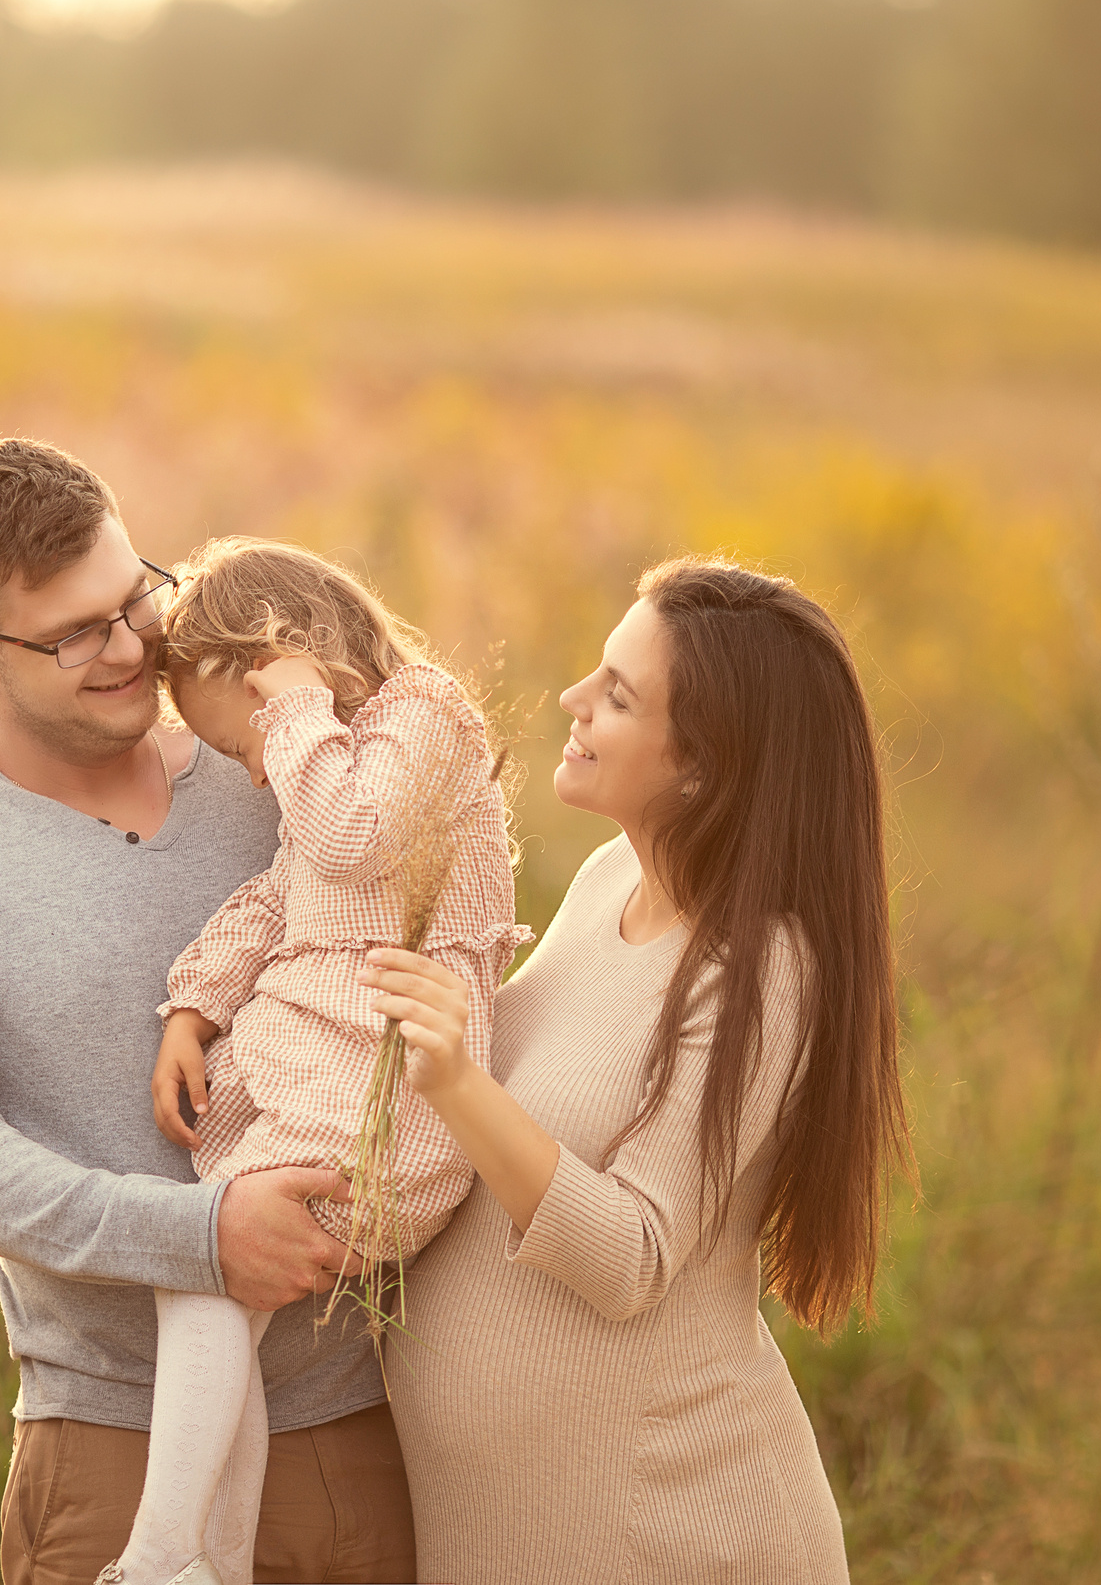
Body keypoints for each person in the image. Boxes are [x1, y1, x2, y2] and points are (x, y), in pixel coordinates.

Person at [0, 439, 419, 1585]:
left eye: (133, 596)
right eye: (72, 636)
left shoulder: (287, 779)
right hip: (115, 1450)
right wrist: (203, 1239)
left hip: (364, 1422)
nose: (132, 647)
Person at [369, 556, 914, 1583]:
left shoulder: (762, 972)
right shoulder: (607, 874)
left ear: (702, 767)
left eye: (617, 695)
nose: (573, 701)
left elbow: (630, 1257)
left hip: (660, 1526)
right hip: (510, 1529)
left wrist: (458, 1085)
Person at [103, 538, 530, 1585]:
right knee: (211, 1288)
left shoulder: (422, 718)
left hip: (382, 1098)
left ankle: (161, 1566)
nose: (255, 769)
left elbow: (350, 841)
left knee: (207, 1273)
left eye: (240, 739)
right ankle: (209, 1565)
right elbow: (279, 895)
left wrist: (293, 711)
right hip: (316, 1079)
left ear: (286, 657)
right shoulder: (332, 764)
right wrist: (191, 1010)